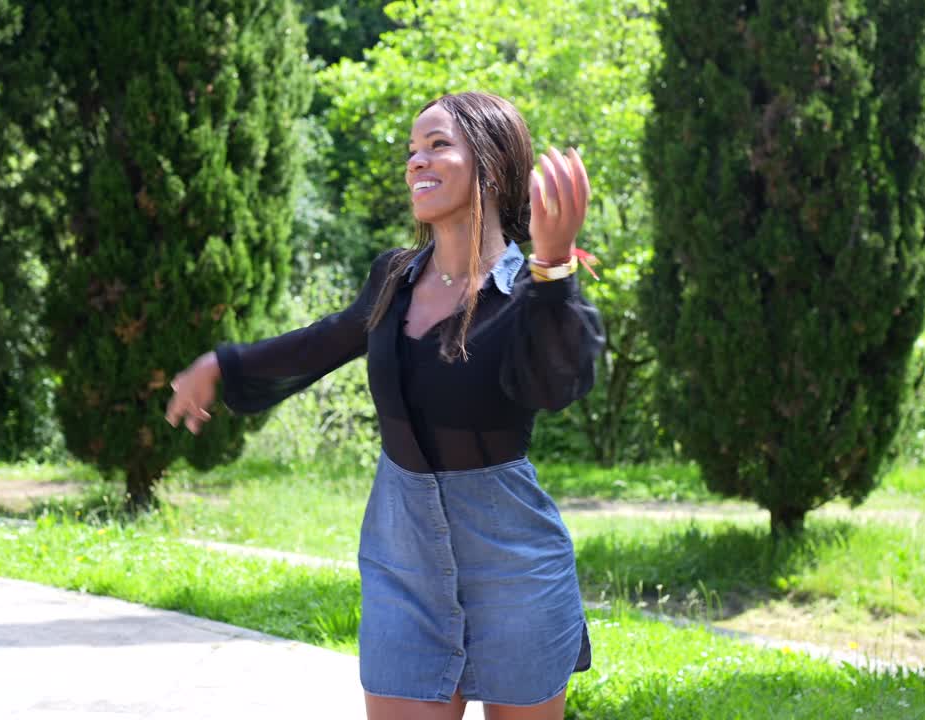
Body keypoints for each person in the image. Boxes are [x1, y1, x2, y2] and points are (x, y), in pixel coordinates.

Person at [165, 91, 604, 720]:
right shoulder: (394, 277)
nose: (415, 162)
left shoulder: (531, 291)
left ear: (489, 161)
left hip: (515, 567)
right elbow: (326, 338)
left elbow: (556, 384)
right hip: (402, 556)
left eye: (437, 145)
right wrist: (222, 364)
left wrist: (555, 265)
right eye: (410, 150)